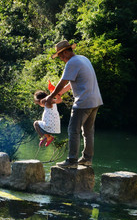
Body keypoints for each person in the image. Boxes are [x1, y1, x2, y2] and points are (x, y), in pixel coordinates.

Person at [44, 40, 103, 168]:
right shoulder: (83, 59)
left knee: (73, 131)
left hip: (83, 102)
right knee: (88, 132)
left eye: (60, 56)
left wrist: (50, 97)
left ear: (65, 52)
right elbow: (71, 83)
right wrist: (60, 93)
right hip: (95, 101)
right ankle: (87, 159)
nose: (61, 59)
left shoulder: (72, 62)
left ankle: (72, 161)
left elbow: (62, 82)